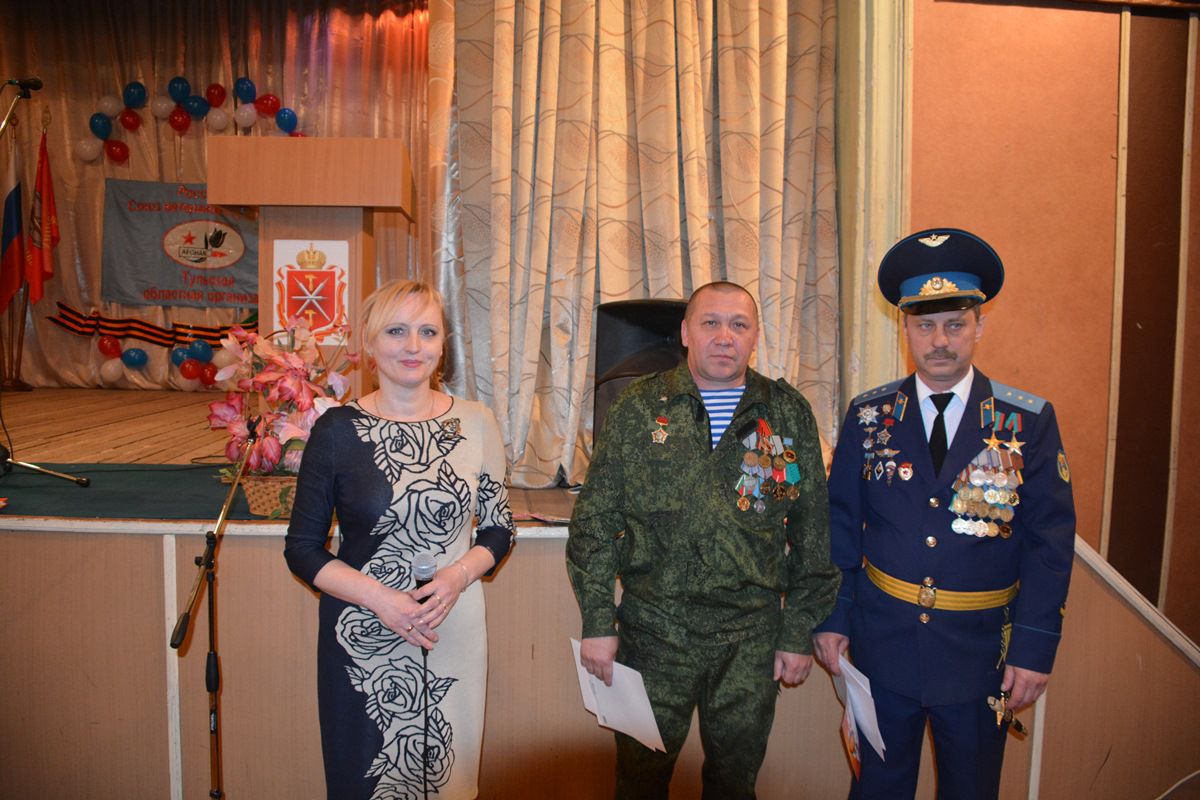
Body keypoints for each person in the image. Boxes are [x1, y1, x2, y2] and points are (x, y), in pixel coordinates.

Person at [812, 229, 1076, 799]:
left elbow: (1049, 544)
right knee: (877, 789)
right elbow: (841, 524)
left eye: (955, 325)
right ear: (904, 327)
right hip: (882, 647)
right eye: (925, 325)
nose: (939, 341)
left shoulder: (1026, 423)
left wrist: (1034, 650)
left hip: (981, 655)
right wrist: (834, 617)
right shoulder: (869, 416)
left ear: (979, 325)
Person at [567, 281, 840, 799]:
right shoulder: (639, 407)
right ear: (686, 332)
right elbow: (595, 521)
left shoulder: (785, 413)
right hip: (655, 631)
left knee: (734, 784)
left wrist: (797, 630)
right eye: (710, 323)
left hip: (749, 637)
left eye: (739, 325)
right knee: (640, 783)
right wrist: (598, 621)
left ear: (754, 336)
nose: (724, 336)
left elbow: (813, 532)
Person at [284, 279, 515, 800]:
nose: (413, 346)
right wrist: (382, 600)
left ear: (442, 344)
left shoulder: (478, 422)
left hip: (452, 624)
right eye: (396, 331)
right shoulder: (336, 430)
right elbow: (302, 548)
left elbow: (498, 528)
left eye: (427, 332)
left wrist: (457, 576)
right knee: (367, 782)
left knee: (450, 782)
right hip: (364, 634)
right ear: (369, 342)